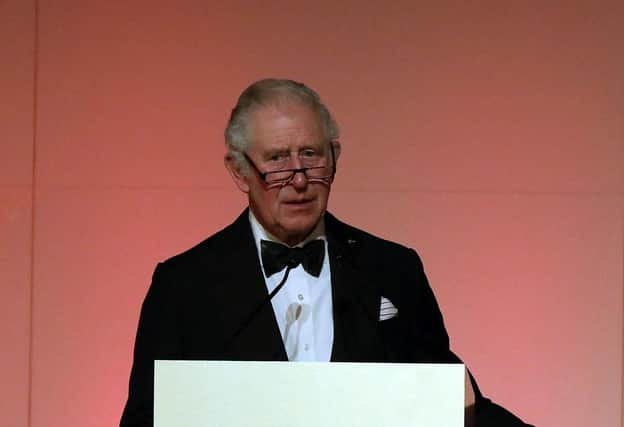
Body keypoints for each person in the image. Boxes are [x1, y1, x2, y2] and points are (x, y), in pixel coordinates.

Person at [120, 78, 533, 426]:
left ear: (335, 156)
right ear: (238, 170)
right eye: (278, 160)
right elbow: (145, 419)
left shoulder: (393, 269)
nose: (299, 179)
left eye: (312, 156)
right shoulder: (184, 285)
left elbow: (448, 399)